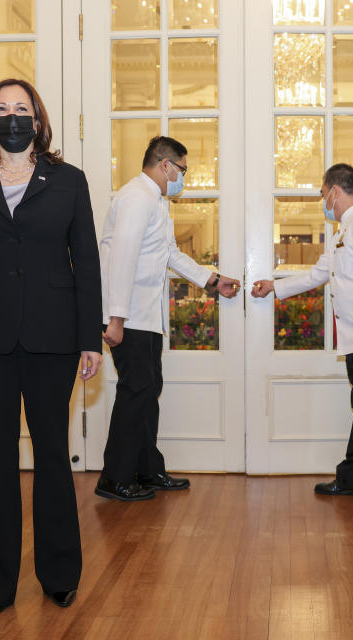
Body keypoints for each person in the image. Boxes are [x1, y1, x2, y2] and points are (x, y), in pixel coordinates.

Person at [0, 78, 103, 620]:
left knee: (53, 454)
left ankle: (59, 576)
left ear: (37, 119)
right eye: (2, 108)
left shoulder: (70, 181)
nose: (12, 116)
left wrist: (89, 338)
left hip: (54, 339)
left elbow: (87, 265)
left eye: (21, 108)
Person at [97, 136, 240, 502]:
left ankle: (147, 469)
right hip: (129, 317)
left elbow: (171, 254)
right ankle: (115, 477)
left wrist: (211, 279)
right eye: (182, 170)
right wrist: (115, 318)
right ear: (165, 165)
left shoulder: (156, 202)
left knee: (147, 393)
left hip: (146, 316)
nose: (183, 178)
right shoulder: (135, 197)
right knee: (136, 393)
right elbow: (122, 258)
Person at [251, 163, 353, 515]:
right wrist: (276, 286)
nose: (322, 199)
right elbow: (320, 273)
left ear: (335, 190)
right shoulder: (341, 231)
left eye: (322, 193)